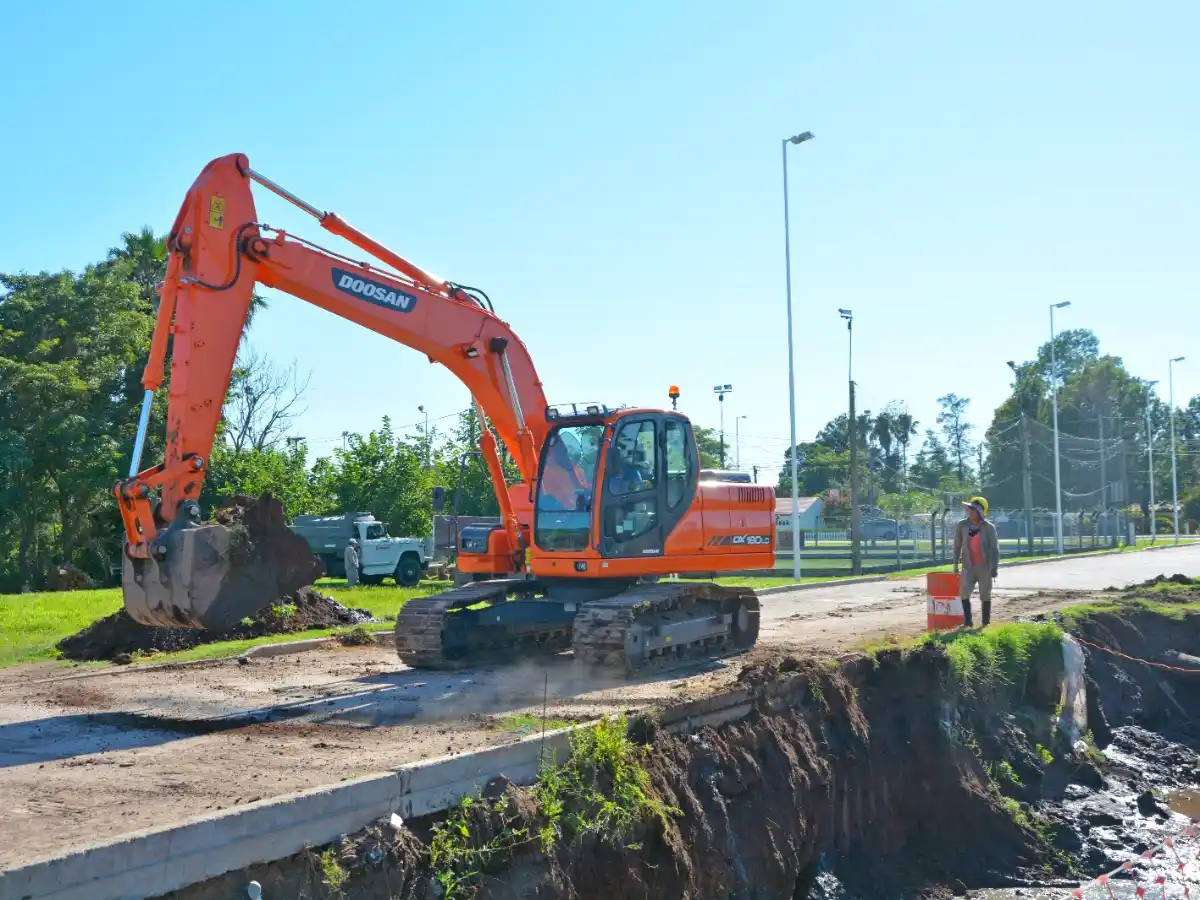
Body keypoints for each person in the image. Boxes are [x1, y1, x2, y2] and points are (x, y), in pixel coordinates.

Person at [952, 496, 999, 627]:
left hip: (985, 567)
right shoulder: (962, 525)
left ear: (980, 511)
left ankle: (985, 623)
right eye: (969, 509)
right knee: (964, 591)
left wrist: (994, 567)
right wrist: (955, 564)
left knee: (985, 594)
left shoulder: (989, 528)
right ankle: (968, 621)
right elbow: (957, 545)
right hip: (968, 566)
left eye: (973, 509)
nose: (969, 511)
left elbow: (994, 549)